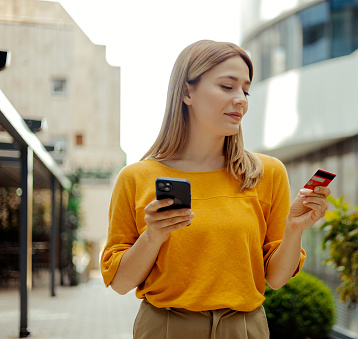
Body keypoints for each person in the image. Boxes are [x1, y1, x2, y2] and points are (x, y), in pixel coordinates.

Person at [100, 40, 331, 339]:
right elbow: (119, 283)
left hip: (245, 328)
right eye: (227, 86)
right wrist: (153, 236)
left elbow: (275, 278)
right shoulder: (136, 178)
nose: (241, 100)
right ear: (186, 92)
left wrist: (294, 229)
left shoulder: (267, 173)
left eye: (245, 90)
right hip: (166, 328)